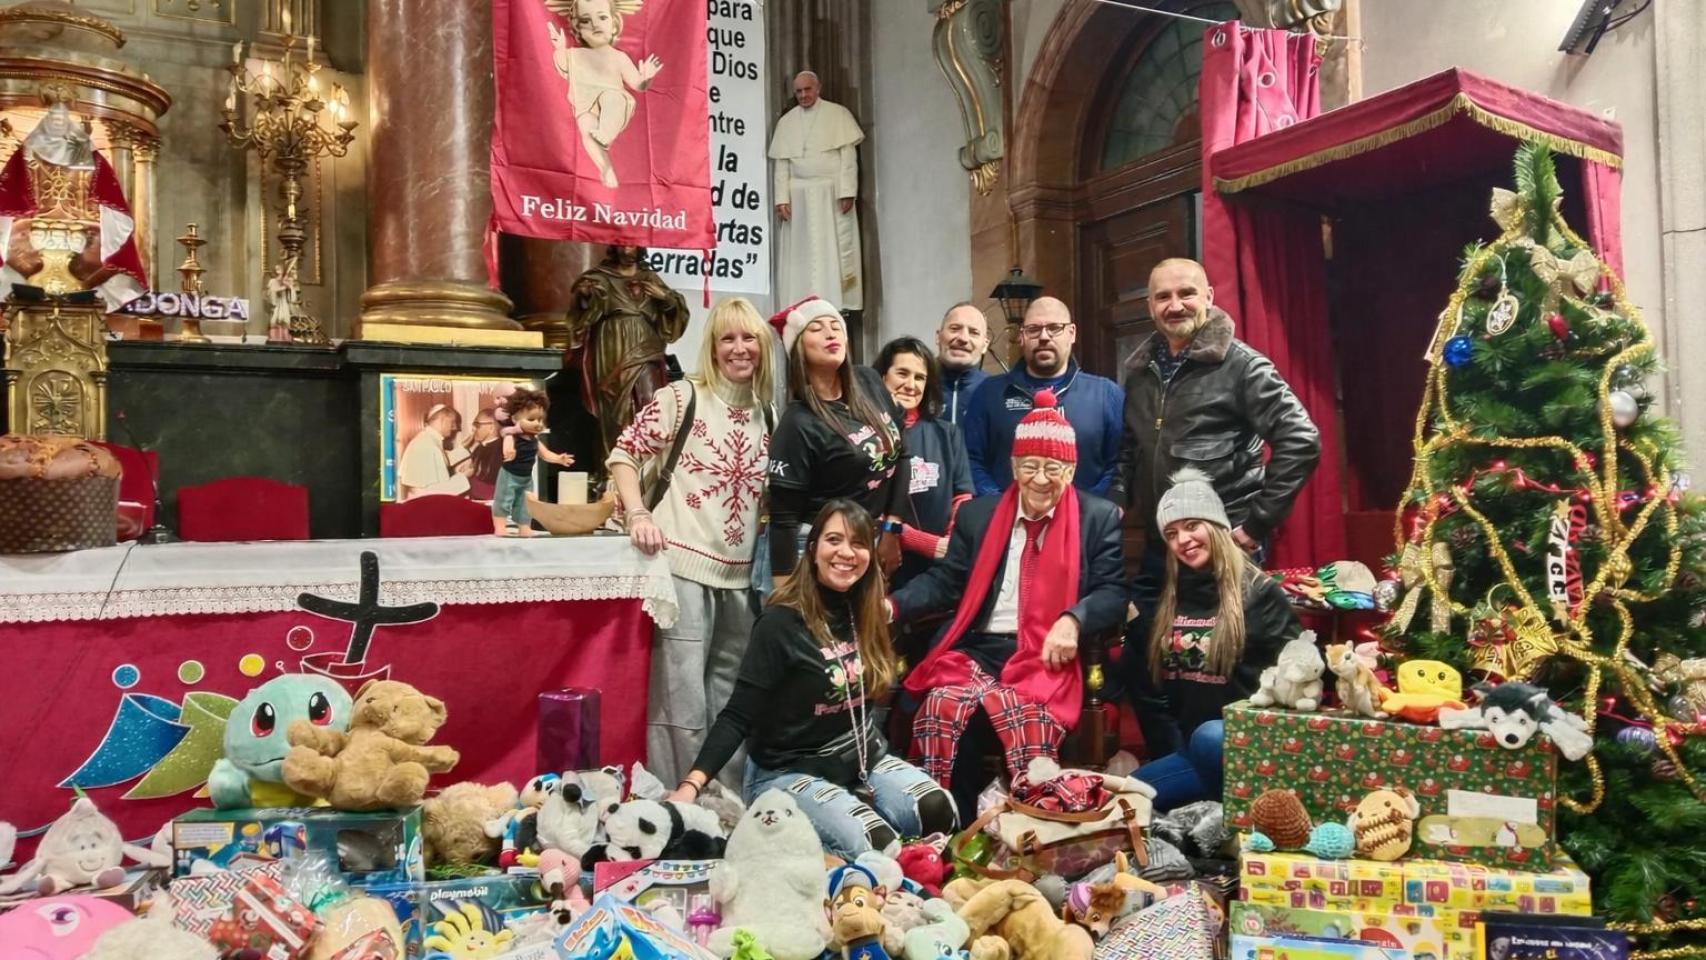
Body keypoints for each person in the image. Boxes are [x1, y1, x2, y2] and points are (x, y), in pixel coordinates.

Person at [667, 500, 958, 858]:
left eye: (858, 543)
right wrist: (691, 786)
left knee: (939, 811)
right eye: (834, 540)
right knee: (879, 845)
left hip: (861, 759)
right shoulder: (780, 623)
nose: (845, 553)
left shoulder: (868, 614)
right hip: (786, 771)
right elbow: (737, 715)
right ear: (813, 549)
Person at [889, 391, 1127, 815]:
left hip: (1045, 654)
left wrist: (1073, 620)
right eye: (1030, 466)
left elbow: (1112, 591)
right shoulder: (978, 516)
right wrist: (892, 606)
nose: (1039, 479)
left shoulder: (1098, 517)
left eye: (1052, 468)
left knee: (1024, 716)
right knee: (944, 706)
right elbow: (945, 583)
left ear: (1070, 470)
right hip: (979, 648)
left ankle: (1032, 831)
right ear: (1014, 466)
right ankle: (952, 827)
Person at [607, 297, 777, 787]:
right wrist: (638, 512)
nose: (739, 349)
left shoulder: (768, 413)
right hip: (681, 563)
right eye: (728, 338)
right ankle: (676, 805)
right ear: (712, 347)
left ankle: (723, 801)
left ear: (763, 347)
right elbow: (624, 455)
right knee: (681, 700)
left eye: (749, 338)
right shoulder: (681, 398)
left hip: (740, 574)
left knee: (729, 697)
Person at [1111, 257, 1319, 578]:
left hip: (1224, 543)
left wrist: (1256, 524)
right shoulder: (1140, 373)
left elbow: (1301, 441)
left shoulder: (1243, 366)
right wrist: (1117, 497)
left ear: (1209, 296)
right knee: (1152, 630)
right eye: (1163, 297)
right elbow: (1131, 447)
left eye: (1186, 293)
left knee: (1225, 631)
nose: (1175, 305)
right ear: (1150, 306)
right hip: (1159, 543)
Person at [1122, 468, 1300, 810]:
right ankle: (1214, 812)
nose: (1183, 540)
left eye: (1192, 526)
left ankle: (1242, 811)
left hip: (1253, 747)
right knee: (1129, 798)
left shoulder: (1260, 593)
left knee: (1211, 735)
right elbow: (1156, 692)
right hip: (1197, 753)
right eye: (1171, 533)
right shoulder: (1171, 599)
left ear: (1216, 526)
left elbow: (1302, 673)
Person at [766, 298, 911, 588]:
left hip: (868, 536)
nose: (831, 334)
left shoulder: (868, 381)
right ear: (798, 349)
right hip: (816, 545)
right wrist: (783, 594)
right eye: (816, 329)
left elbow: (903, 453)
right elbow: (782, 521)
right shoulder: (798, 423)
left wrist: (892, 527)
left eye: (836, 326)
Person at [961, 297, 1122, 498]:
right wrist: (1000, 506)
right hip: (1007, 522)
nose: (1044, 336)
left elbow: (1119, 464)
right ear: (1022, 337)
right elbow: (971, 459)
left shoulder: (1106, 394)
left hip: (1084, 523)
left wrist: (1088, 508)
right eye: (1033, 329)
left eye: (1054, 328)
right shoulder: (989, 393)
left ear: (1071, 333)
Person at [0, 88, 145, 310]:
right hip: (39, 220)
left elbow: (103, 189)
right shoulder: (29, 152)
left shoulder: (85, 154)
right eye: (54, 119)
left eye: (62, 119)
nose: (58, 124)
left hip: (77, 219)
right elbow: (13, 189)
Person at [565, 245, 691, 463]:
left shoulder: (650, 278)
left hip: (647, 348)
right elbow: (581, 310)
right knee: (613, 408)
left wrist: (666, 298)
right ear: (614, 247)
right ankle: (612, 468)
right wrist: (585, 296)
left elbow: (675, 313)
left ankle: (647, 466)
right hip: (612, 347)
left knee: (650, 402)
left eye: (632, 243)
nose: (627, 248)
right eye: (622, 243)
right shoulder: (600, 278)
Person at [875, 337, 972, 590]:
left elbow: (962, 497)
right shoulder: (865, 433)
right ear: (882, 376)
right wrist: (916, 540)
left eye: (919, 377)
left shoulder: (947, 433)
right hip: (882, 564)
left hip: (939, 569)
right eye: (902, 374)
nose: (911, 385)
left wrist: (951, 543)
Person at [769, 71, 865, 311]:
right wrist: (781, 198)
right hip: (798, 197)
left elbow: (848, 158)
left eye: (807, 90)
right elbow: (782, 165)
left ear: (818, 88)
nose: (803, 95)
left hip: (830, 195)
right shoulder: (786, 122)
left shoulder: (838, 114)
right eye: (798, 92)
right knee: (801, 254)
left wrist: (847, 191)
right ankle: (801, 303)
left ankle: (833, 301)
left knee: (829, 249)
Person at [545, 0, 663, 189]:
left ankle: (605, 135)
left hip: (614, 102)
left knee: (611, 98)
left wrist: (646, 78)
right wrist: (559, 48)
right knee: (586, 130)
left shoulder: (618, 57)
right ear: (578, 28)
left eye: (602, 17)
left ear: (614, 24)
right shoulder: (575, 54)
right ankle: (605, 168)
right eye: (586, 20)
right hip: (585, 105)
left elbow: (637, 84)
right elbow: (562, 66)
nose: (594, 24)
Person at [492, 386, 574, 536]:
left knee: (526, 504)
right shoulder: (511, 436)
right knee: (504, 500)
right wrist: (509, 451)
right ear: (515, 419)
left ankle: (524, 527)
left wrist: (558, 459)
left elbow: (545, 454)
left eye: (540, 420)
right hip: (509, 475)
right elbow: (507, 446)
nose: (537, 423)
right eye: (531, 419)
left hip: (526, 478)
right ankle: (500, 527)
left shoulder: (534, 440)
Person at [398, 404, 471, 500]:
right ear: (442, 420)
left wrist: (464, 447)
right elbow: (431, 492)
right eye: (452, 422)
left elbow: (442, 459)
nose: (454, 428)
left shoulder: (428, 439)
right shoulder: (426, 445)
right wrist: (464, 476)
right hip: (424, 504)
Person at [936, 302, 991, 425]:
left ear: (985, 345)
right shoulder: (917, 387)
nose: (963, 338)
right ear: (938, 337)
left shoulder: (996, 391)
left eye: (974, 332)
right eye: (955, 329)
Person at [463, 408, 504, 500]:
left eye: (477, 425)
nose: (473, 429)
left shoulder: (502, 450)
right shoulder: (478, 448)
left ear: (491, 428)